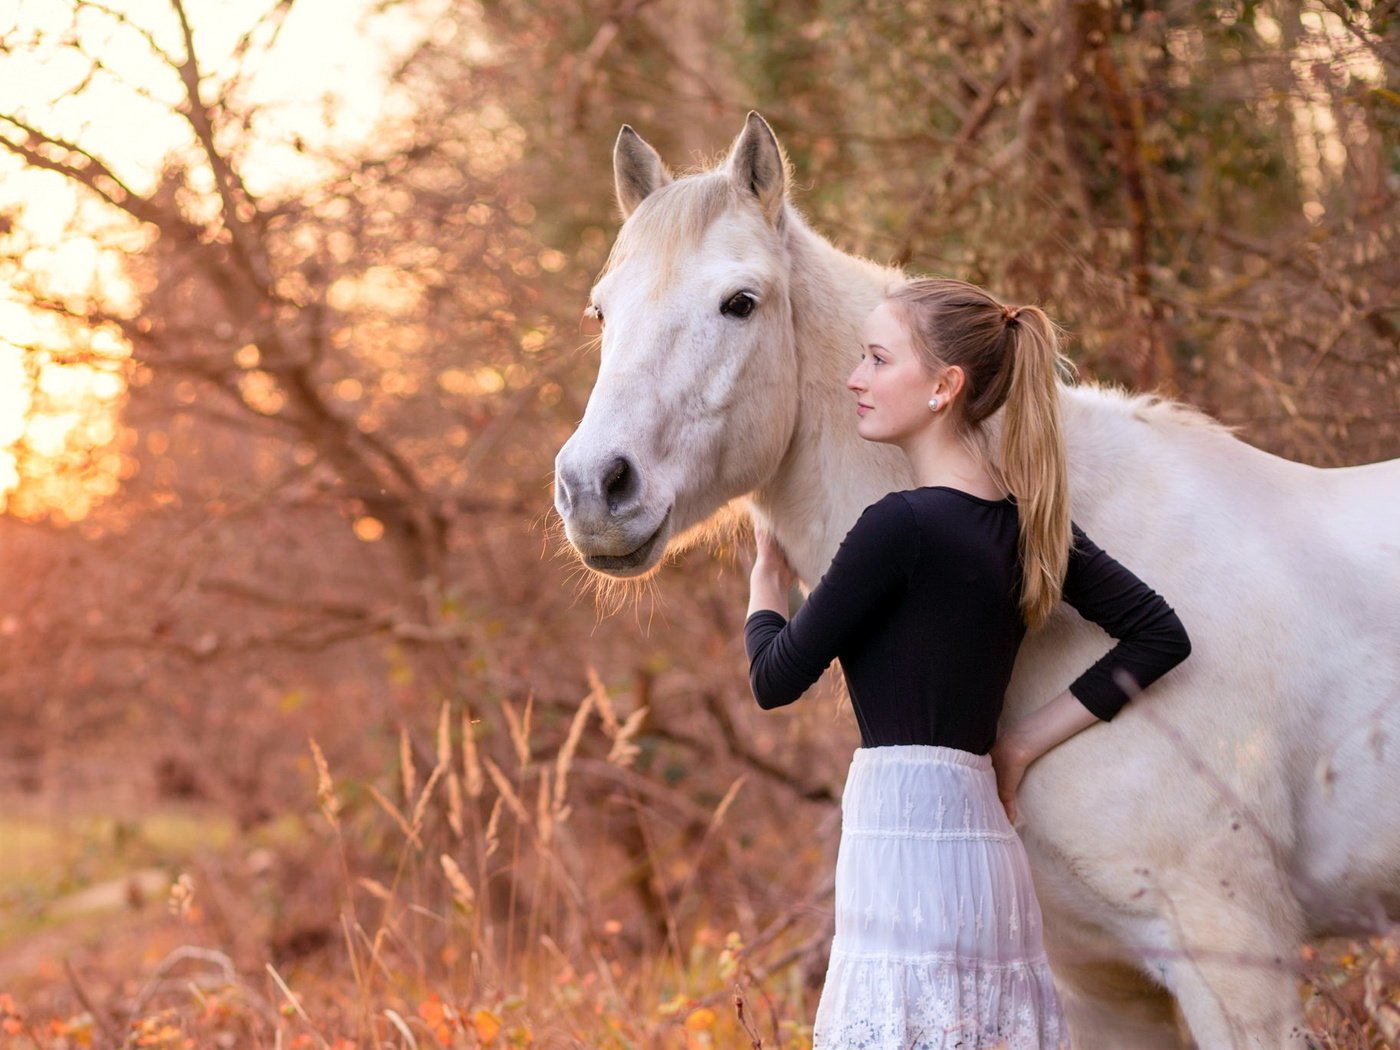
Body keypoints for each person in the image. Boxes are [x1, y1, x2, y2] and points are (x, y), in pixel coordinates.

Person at [745, 278, 1191, 1050]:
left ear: (945, 387)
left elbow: (774, 678)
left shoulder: (896, 528)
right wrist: (1018, 746)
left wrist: (765, 590)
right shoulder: (1027, 526)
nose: (857, 378)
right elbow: (1158, 635)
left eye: (879, 359)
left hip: (903, 840)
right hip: (984, 849)